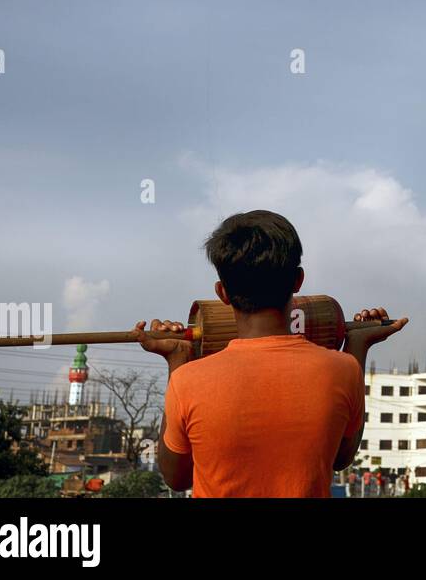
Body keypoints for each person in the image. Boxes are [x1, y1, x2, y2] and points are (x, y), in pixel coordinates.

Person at [138, 210, 408, 497]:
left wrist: (178, 358)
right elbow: (341, 457)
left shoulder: (187, 380)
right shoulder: (343, 369)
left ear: (222, 293)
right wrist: (357, 346)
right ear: (298, 281)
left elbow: (176, 477)